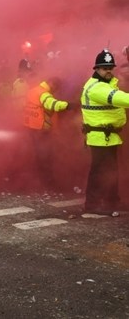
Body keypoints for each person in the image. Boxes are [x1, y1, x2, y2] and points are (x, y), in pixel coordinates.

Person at [80, 49, 129, 215]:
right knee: (100, 171)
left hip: (108, 136)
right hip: (101, 137)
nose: (108, 70)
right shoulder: (98, 88)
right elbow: (123, 99)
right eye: (104, 68)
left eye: (110, 67)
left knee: (110, 171)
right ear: (96, 69)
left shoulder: (105, 84)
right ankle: (92, 205)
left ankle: (112, 201)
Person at [22, 77, 69, 188]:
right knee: (46, 157)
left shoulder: (33, 90)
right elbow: (53, 105)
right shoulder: (44, 94)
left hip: (31, 127)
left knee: (39, 156)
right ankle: (49, 183)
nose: (56, 90)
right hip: (42, 130)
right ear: (52, 83)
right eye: (56, 87)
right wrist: (69, 105)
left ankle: (40, 181)